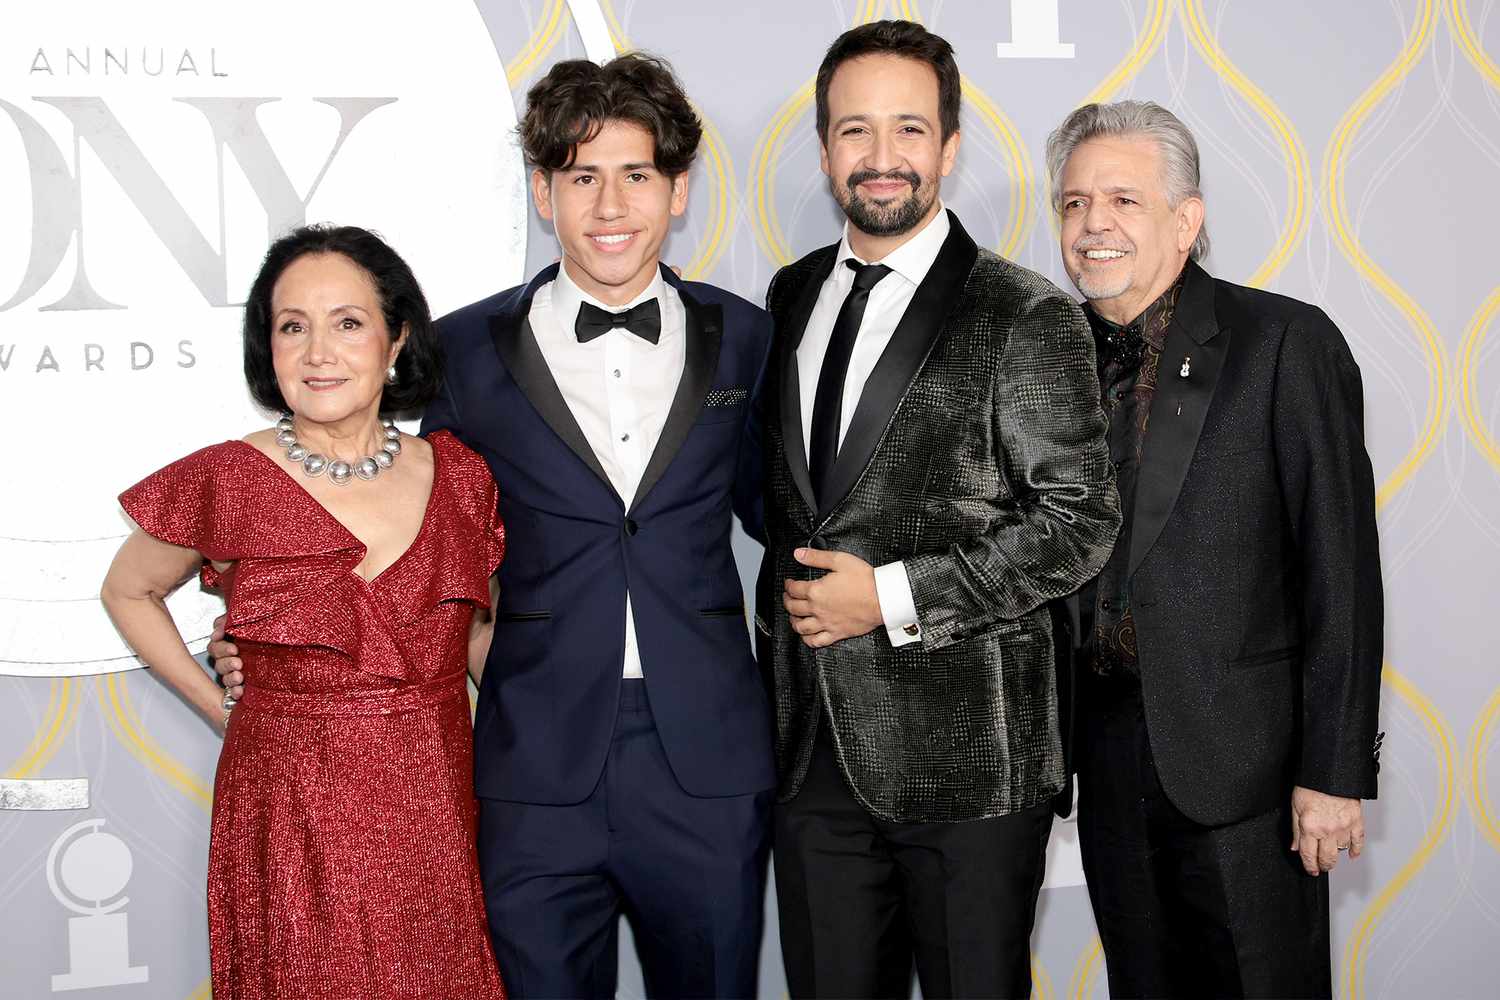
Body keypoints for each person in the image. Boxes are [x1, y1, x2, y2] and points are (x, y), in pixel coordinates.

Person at [217, 54, 774, 999]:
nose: (609, 206)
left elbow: (790, 515)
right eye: (580, 177)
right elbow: (399, 523)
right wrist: (267, 640)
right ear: (541, 191)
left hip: (708, 764)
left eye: (636, 175)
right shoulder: (465, 353)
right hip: (530, 764)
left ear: (678, 192)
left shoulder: (750, 335)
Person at [758, 20, 1120, 999]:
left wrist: (891, 596)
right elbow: (788, 497)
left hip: (973, 767)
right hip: (814, 758)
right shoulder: (789, 297)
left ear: (949, 148)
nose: (882, 159)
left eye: (909, 130)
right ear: (826, 146)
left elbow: (1079, 522)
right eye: (855, 131)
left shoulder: (1024, 312)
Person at [101, 225, 507, 999]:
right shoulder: (228, 476)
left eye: (348, 323)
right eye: (293, 327)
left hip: (434, 803)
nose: (319, 351)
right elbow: (129, 589)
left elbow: (475, 638)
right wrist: (219, 706)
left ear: (397, 342)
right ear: (271, 349)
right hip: (289, 806)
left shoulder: (462, 477)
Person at [1046, 100, 1384, 998]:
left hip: (1252, 775)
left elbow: (1340, 571)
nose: (1093, 225)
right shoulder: (1052, 358)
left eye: (1122, 198)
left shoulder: (1284, 342)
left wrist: (1332, 774)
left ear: (1186, 221)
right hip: (1108, 754)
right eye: (1074, 204)